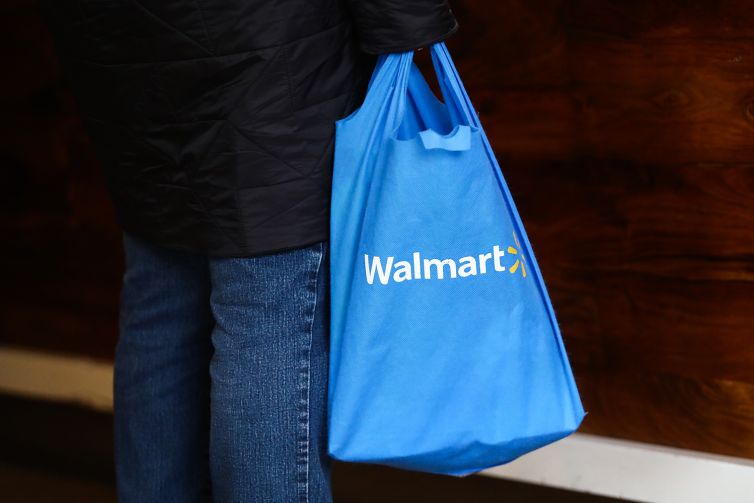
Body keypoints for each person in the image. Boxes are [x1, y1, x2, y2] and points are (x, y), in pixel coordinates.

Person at [39, 1, 458, 501]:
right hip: (267, 40)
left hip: (113, 37)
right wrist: (409, 22)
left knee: (161, 291)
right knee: (269, 305)